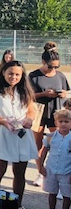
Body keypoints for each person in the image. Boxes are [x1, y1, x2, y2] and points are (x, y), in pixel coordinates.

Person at [0, 60, 38, 209]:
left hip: (22, 135)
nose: (13, 77)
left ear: (22, 76)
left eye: (17, 74)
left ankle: (18, 205)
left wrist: (29, 119)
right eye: (10, 73)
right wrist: (3, 121)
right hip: (2, 134)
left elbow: (31, 111)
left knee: (20, 173)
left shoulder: (25, 91)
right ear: (3, 73)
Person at [29, 42, 70, 187]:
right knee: (38, 144)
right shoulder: (34, 76)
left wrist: (63, 94)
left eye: (56, 66)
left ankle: (57, 172)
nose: (53, 69)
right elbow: (28, 96)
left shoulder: (60, 76)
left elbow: (66, 92)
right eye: (50, 66)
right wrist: (43, 94)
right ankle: (40, 172)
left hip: (56, 112)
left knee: (59, 143)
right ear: (43, 62)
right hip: (39, 110)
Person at [38, 108, 71, 209]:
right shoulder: (50, 136)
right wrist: (40, 166)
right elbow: (44, 151)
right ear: (56, 122)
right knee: (52, 191)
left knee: (67, 193)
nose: (63, 124)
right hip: (51, 169)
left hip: (66, 170)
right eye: (60, 121)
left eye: (66, 121)